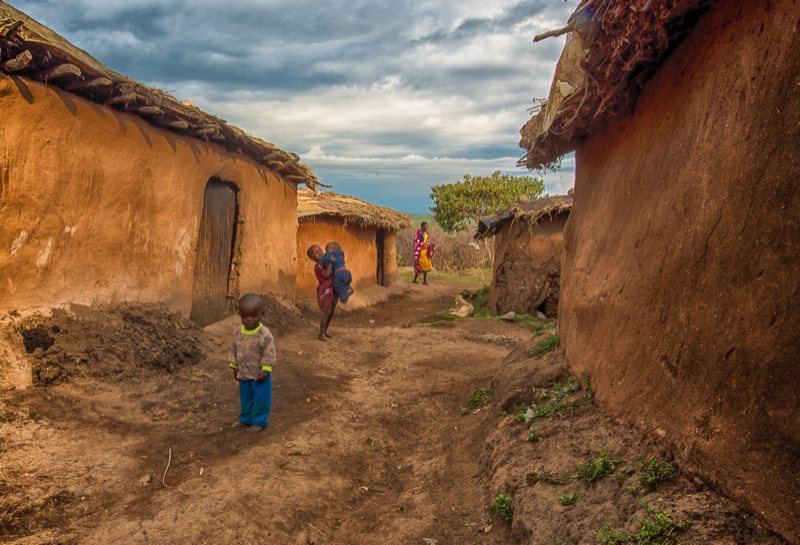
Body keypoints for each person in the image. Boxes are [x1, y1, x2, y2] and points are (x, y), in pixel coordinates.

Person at [229, 293, 275, 433]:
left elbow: (269, 352)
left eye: (254, 316)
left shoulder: (264, 334)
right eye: (245, 316)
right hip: (244, 376)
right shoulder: (237, 333)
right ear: (240, 314)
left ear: (262, 313)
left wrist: (265, 371)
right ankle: (246, 419)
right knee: (246, 400)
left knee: (261, 400)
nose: (249, 319)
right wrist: (234, 368)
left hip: (259, 377)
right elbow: (234, 350)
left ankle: (259, 421)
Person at [307, 244, 338, 342]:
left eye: (320, 250)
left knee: (332, 311)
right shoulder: (318, 266)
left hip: (333, 287)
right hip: (325, 290)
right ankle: (321, 333)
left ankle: (325, 331)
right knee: (327, 311)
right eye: (316, 253)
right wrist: (331, 263)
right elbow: (327, 274)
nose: (320, 252)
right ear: (312, 258)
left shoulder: (326, 262)